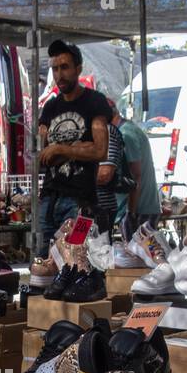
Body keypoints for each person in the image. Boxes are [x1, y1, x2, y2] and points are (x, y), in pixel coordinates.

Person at [37, 40, 111, 249]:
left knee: (75, 261)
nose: (59, 74)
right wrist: (78, 148)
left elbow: (100, 150)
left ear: (78, 69)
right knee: (43, 262)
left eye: (65, 67)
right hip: (49, 198)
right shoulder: (50, 106)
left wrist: (60, 149)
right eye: (55, 68)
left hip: (80, 201)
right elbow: (39, 153)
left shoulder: (94, 101)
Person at [115, 105, 161, 240]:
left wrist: (131, 212)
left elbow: (136, 175)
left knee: (137, 255)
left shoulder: (125, 134)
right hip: (142, 208)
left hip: (139, 210)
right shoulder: (130, 129)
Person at [94, 101, 126, 236]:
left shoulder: (106, 131)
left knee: (98, 250)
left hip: (100, 207)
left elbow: (105, 174)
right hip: (95, 206)